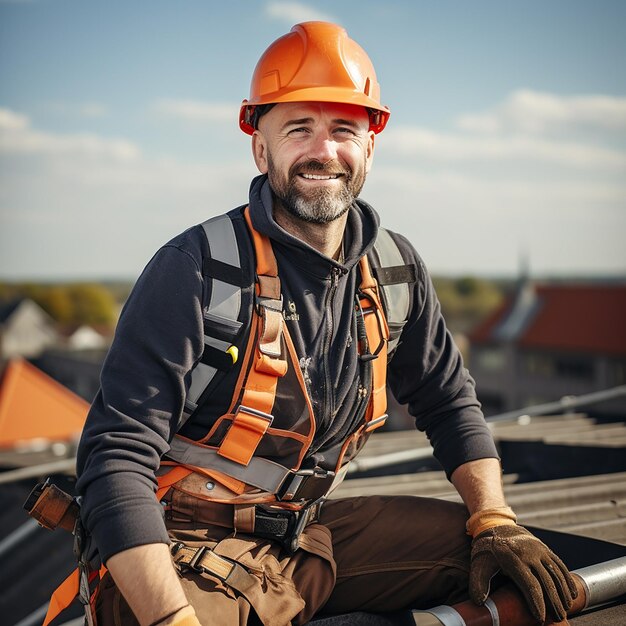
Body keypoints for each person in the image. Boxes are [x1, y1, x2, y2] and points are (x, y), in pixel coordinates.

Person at [76, 21, 577, 626]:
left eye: (344, 129)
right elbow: (116, 457)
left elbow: (449, 401)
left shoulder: (393, 269)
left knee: (513, 564)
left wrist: (494, 517)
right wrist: (169, 618)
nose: (324, 150)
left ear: (371, 145)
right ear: (260, 147)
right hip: (184, 548)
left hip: (305, 534)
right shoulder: (197, 271)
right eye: (298, 129)